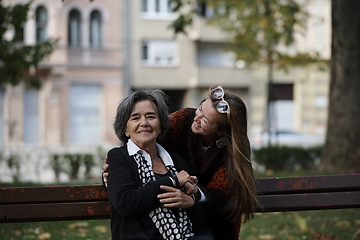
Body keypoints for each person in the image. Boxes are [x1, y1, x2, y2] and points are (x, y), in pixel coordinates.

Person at [104, 86, 258, 240]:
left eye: (205, 120)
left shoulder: (221, 155)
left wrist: (194, 195)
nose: (196, 118)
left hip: (208, 218)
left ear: (220, 132)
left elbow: (217, 197)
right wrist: (113, 177)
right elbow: (125, 190)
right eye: (200, 109)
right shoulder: (182, 121)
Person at [107, 89, 213, 240]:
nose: (144, 123)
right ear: (126, 130)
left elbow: (200, 219)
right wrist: (173, 181)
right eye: (135, 118)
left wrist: (191, 202)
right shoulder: (119, 157)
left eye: (151, 116)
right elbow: (125, 203)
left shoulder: (176, 161)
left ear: (161, 127)